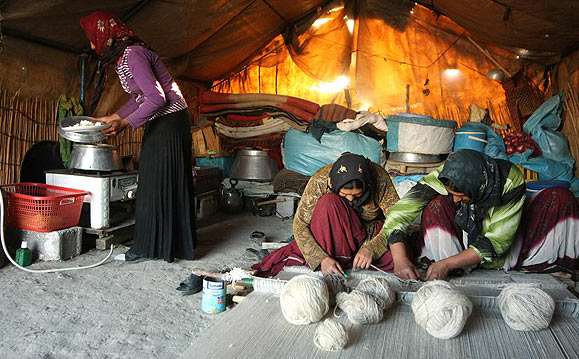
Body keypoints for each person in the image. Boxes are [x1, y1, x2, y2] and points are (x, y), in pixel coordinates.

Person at [79, 11, 196, 262]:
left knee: (156, 181)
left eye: (91, 38)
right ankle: (164, 245)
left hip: (169, 120)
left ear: (104, 35)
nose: (90, 44)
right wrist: (114, 117)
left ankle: (151, 247)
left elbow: (157, 98)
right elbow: (140, 97)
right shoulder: (125, 56)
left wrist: (125, 122)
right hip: (166, 119)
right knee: (158, 181)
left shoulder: (133, 55)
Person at [383, 149, 579, 281]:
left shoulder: (510, 180)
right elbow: (401, 211)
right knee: (437, 204)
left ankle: (456, 262)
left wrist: (449, 263)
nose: (456, 200)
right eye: (454, 195)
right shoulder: (449, 173)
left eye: (461, 195)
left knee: (561, 197)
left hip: (502, 238)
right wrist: (400, 259)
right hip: (467, 230)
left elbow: (497, 241)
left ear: (479, 188)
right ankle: (454, 262)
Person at [252, 153, 399, 276]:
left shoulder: (379, 179)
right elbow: (300, 224)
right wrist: (321, 259)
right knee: (328, 202)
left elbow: (398, 219)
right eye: (345, 194)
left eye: (358, 195)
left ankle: (348, 258)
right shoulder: (321, 180)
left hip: (366, 234)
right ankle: (338, 258)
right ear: (332, 184)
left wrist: (372, 249)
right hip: (334, 233)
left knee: (399, 257)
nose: (350, 199)